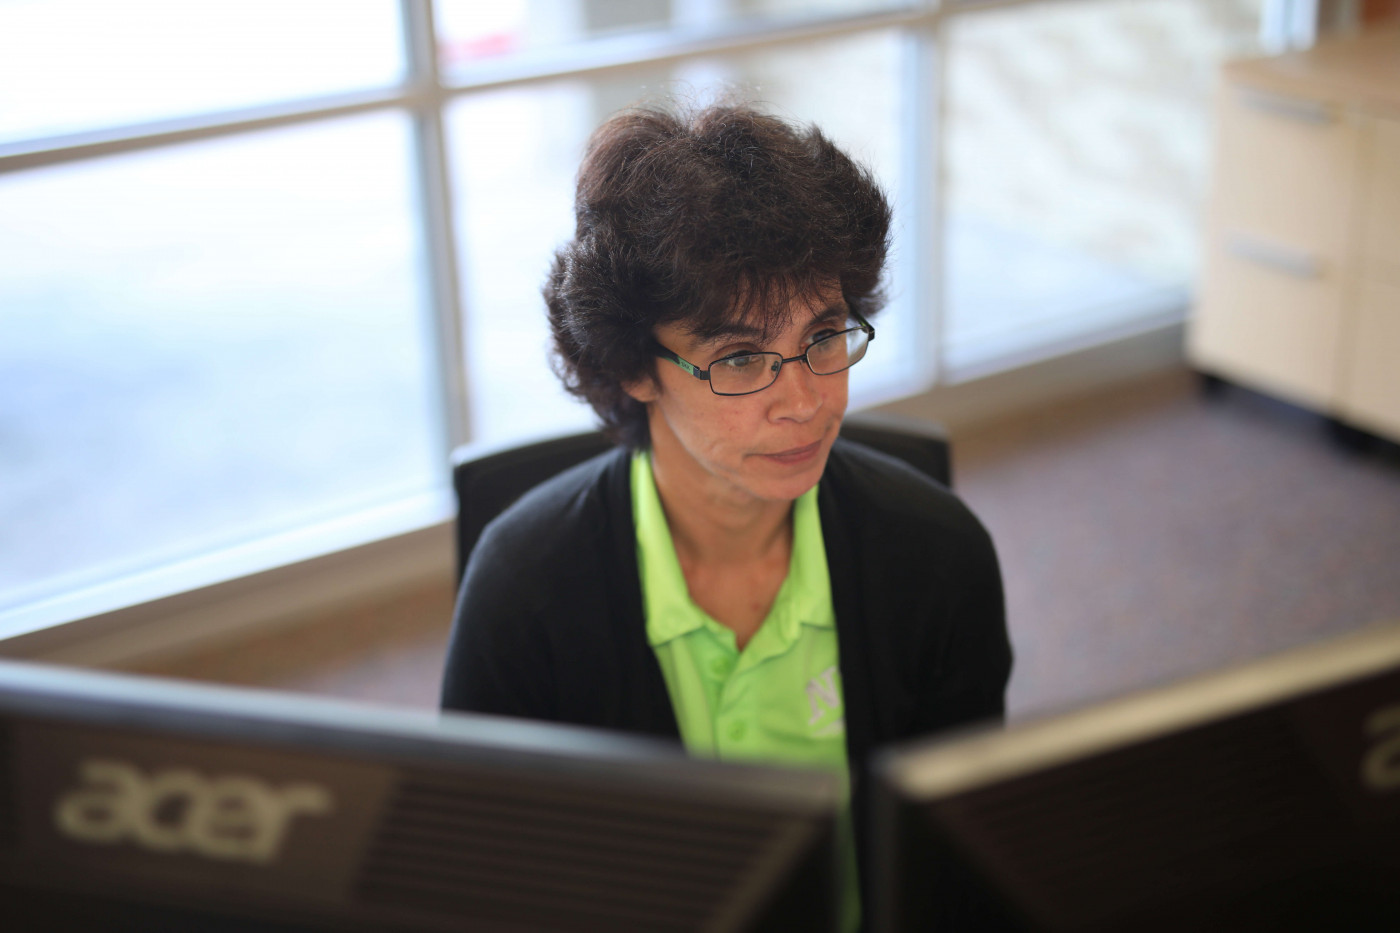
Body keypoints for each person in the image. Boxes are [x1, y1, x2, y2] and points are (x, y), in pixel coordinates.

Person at [441, 100, 1012, 930]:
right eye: (740, 358)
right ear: (635, 366)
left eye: (824, 335)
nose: (807, 400)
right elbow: (480, 885)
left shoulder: (938, 557)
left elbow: (959, 867)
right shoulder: (523, 590)